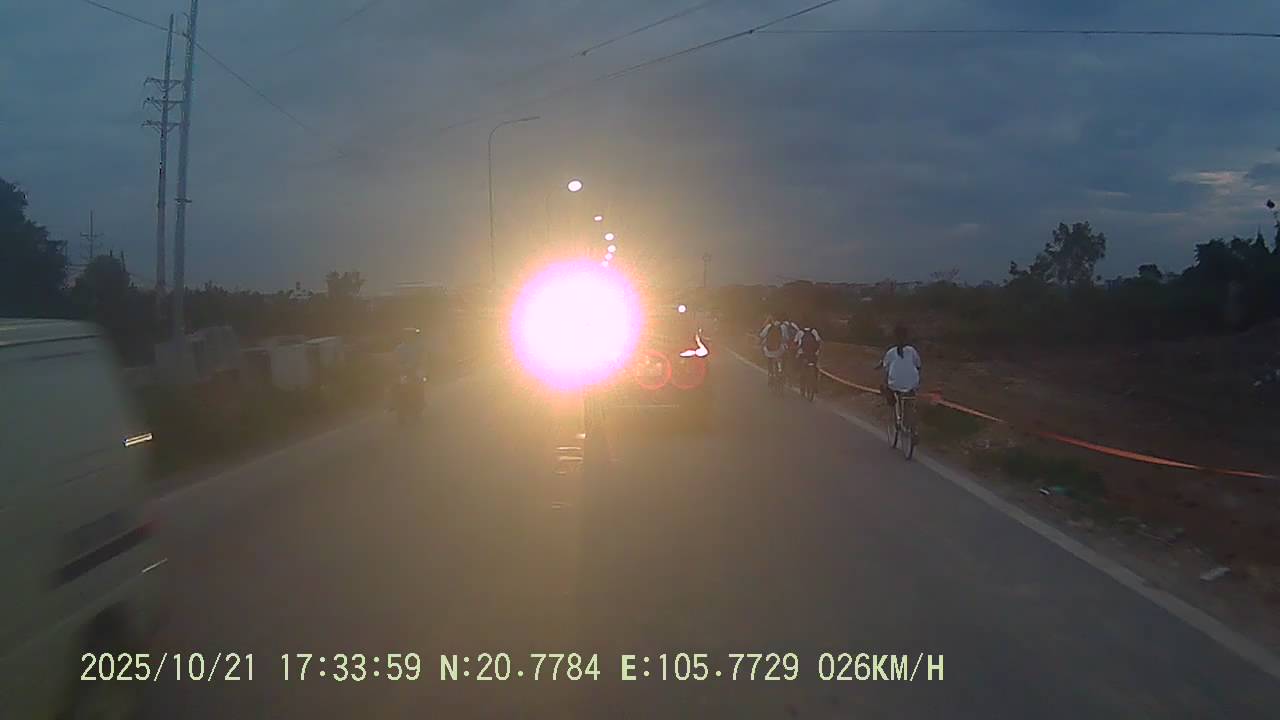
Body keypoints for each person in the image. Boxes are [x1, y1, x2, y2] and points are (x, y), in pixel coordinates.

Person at [875, 323, 922, 407]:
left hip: (894, 385)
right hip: (912, 384)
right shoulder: (912, 350)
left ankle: (889, 394)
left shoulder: (891, 352)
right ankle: (911, 393)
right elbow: (918, 365)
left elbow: (884, 365)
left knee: (885, 378)